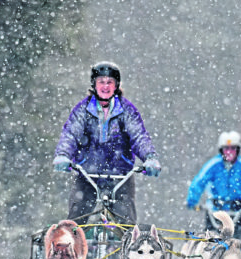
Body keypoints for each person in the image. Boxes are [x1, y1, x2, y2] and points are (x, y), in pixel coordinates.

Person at [52, 61, 161, 224]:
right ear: (93, 85)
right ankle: (71, 247)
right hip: (87, 174)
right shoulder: (83, 110)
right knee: (76, 220)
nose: (105, 86)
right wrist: (63, 155)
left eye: (109, 82)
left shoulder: (127, 110)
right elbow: (71, 134)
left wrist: (150, 157)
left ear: (116, 85)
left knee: (126, 224)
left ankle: (125, 247)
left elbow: (138, 135)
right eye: (101, 82)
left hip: (120, 175)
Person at [186, 130, 241, 240]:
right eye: (226, 149)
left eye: (233, 148)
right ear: (221, 150)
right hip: (216, 210)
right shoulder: (214, 165)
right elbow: (199, 181)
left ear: (237, 150)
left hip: (240, 211)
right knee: (210, 243)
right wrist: (192, 201)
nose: (229, 152)